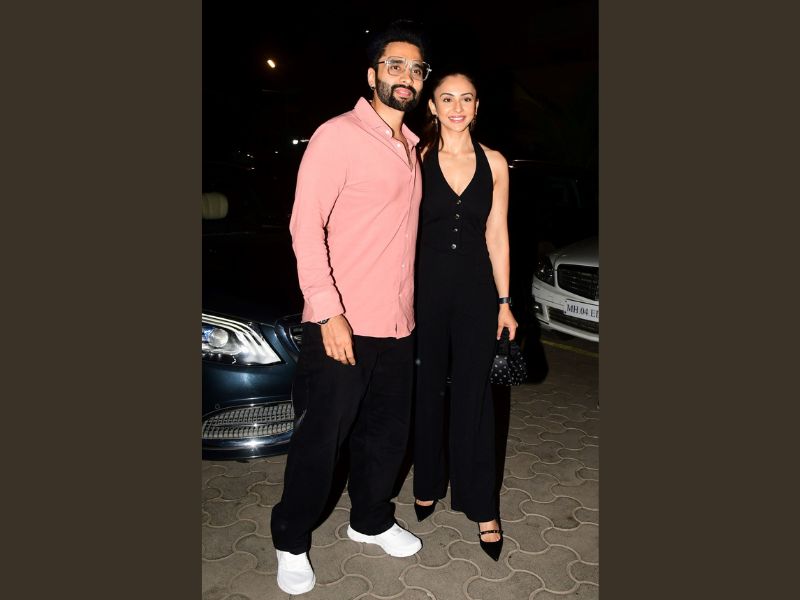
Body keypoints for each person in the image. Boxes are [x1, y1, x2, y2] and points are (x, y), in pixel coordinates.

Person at [270, 21, 432, 595]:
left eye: (416, 69)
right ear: (371, 75)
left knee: (386, 435)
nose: (406, 77)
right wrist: (327, 311)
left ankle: (369, 520)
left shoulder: (412, 146)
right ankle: (291, 538)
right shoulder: (337, 135)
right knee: (322, 439)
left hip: (398, 322)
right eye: (395, 65)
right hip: (343, 323)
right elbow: (305, 225)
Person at [412, 71, 517, 562]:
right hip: (423, 292)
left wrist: (505, 301)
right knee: (427, 388)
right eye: (447, 98)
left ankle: (482, 506)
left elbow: (497, 233)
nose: (457, 107)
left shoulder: (494, 162)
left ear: (477, 106)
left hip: (477, 294)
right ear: (432, 106)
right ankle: (428, 481)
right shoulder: (416, 156)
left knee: (475, 398)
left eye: (466, 99)